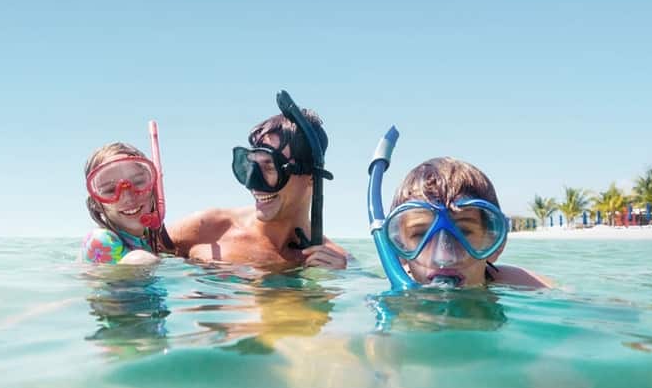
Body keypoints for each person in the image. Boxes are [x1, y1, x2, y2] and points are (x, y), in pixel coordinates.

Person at [169, 92, 350, 270]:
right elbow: (145, 246)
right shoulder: (209, 228)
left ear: (311, 176)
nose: (253, 183)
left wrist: (327, 285)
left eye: (270, 167)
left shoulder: (336, 260)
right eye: (252, 166)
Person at [383, 157, 550, 289]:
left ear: (494, 242)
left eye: (463, 231)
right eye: (420, 234)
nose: (444, 258)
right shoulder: (395, 294)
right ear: (400, 247)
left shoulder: (519, 282)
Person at [80, 142, 177, 265]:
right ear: (97, 204)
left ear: (155, 187)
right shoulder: (99, 239)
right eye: (110, 190)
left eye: (138, 182)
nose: (128, 197)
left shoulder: (149, 238)